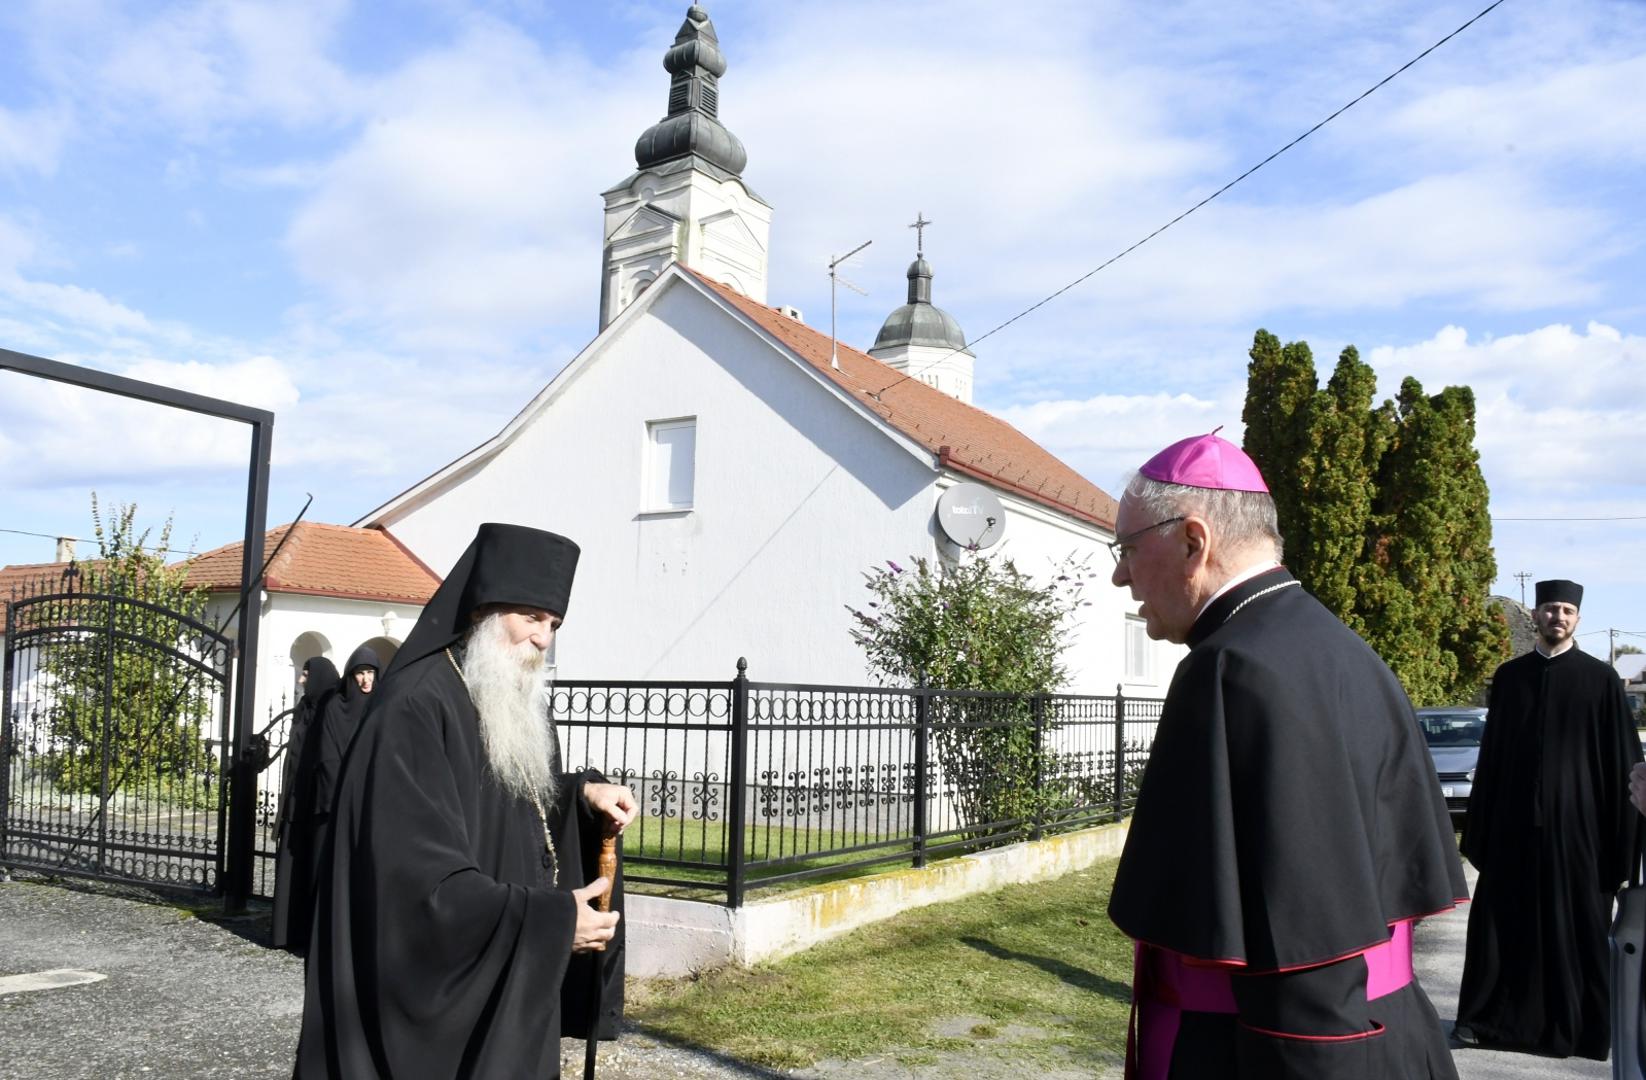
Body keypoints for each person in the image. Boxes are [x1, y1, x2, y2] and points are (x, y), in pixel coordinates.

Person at [1105, 431, 1467, 1080]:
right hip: (1385, 1037)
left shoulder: (1233, 669)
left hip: (1276, 1055)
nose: (1121, 574)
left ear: (1192, 541)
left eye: (1127, 547)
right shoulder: (1342, 649)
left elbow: (1304, 943)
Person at [295, 522, 636, 1079]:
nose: (544, 638)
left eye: (553, 624)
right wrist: (548, 924)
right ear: (482, 611)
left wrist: (581, 796)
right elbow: (414, 887)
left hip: (502, 994)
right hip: (428, 1015)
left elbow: (510, 815)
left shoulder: (499, 695)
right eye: (531, 617)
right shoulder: (414, 707)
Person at [1455, 578, 1642, 1058]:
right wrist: (1482, 827)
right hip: (1512, 828)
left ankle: (1580, 1030)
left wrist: (1620, 842)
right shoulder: (1510, 677)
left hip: (1579, 834)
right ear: (1536, 615)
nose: (1558, 617)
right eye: (1550, 609)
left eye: (1566, 610)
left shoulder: (1601, 680)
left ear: (1577, 618)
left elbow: (1624, 764)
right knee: (1501, 924)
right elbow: (1493, 756)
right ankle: (1485, 1022)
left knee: (1576, 928)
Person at [270, 655, 341, 953]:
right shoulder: (305, 708)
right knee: (292, 862)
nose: (301, 680)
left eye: (306, 674)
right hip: (297, 798)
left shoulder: (333, 708)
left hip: (319, 800)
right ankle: (288, 932)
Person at [307, 644, 379, 838]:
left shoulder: (380, 704)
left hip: (371, 792)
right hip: (338, 792)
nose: (366, 679)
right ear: (351, 675)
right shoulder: (335, 707)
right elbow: (328, 754)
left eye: (370, 672)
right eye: (360, 673)